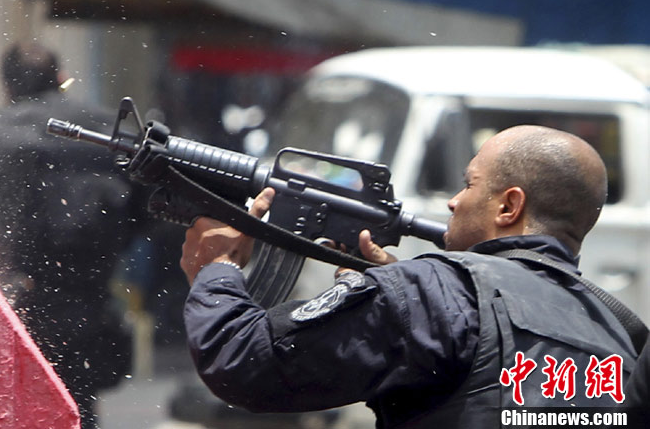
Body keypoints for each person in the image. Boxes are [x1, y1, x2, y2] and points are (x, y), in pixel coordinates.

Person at [179, 125, 641, 426]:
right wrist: (393, 293)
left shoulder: (433, 293)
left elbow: (241, 361)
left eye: (469, 184)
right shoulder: (616, 332)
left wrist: (218, 269)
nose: (453, 202)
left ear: (509, 206)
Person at [0, 41, 137, 429]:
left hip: (30, 299)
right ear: (59, 78)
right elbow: (143, 203)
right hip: (94, 296)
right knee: (80, 404)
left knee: (31, 406)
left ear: (8, 85)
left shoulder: (1, 132)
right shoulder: (105, 127)